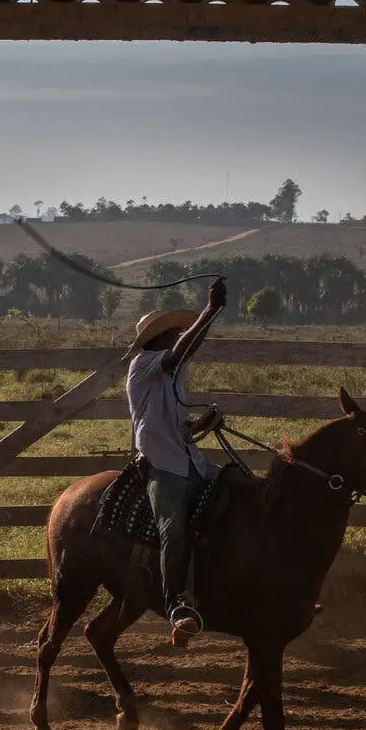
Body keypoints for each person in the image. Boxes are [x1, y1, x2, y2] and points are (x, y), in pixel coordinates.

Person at [125, 277, 228, 648]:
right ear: (157, 339)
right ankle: (177, 605)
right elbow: (178, 354)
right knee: (174, 527)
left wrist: (200, 425)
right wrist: (211, 311)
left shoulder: (171, 371)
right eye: (172, 333)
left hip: (187, 460)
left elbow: (175, 425)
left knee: (240, 491)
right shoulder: (144, 365)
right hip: (160, 464)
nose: (177, 338)